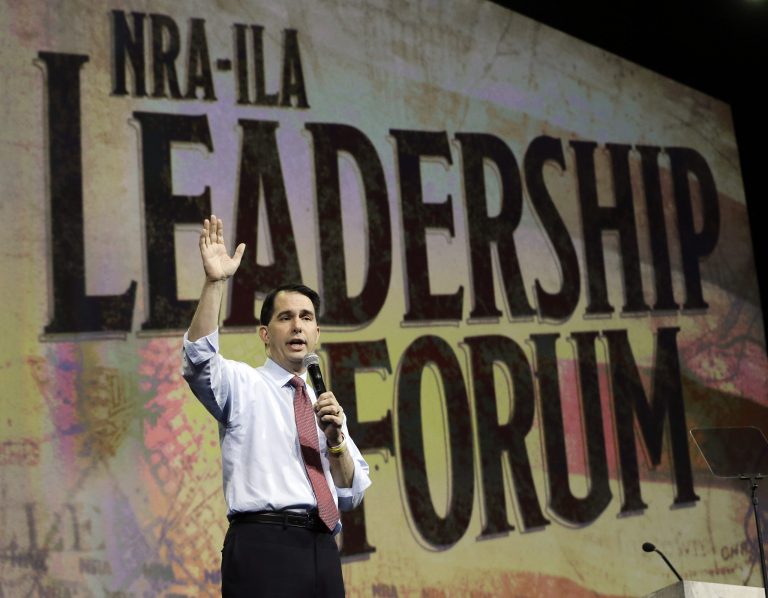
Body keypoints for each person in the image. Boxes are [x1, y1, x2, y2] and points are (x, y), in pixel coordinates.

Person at [181, 215, 371, 597]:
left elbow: (351, 494)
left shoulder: (325, 406)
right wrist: (215, 283)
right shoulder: (243, 384)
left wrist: (336, 441)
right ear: (265, 335)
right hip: (263, 546)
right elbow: (198, 360)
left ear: (317, 333)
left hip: (322, 550)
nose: (298, 326)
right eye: (286, 318)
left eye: (306, 318)